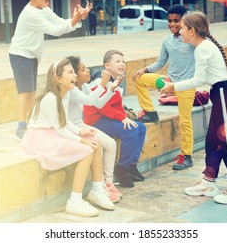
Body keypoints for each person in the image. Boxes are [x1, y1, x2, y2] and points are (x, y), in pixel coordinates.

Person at [161, 11, 227, 204]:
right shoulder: (203, 46)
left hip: (226, 94)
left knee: (226, 141)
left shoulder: (202, 48)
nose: (180, 31)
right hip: (221, 93)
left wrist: (174, 87)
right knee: (213, 139)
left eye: (183, 28)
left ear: (192, 30)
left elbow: (198, 80)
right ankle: (209, 181)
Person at [21, 58, 115, 217]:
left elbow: (65, 121)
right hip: (40, 138)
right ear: (57, 78)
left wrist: (80, 132)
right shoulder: (51, 98)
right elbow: (60, 127)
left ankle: (97, 190)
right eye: (70, 72)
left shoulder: (64, 95)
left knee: (95, 142)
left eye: (74, 72)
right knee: (86, 150)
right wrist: (81, 139)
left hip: (54, 132)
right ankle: (75, 200)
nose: (75, 76)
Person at [9, 0, 93, 142]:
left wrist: (78, 18)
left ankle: (33, 124)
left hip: (30, 56)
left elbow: (59, 22)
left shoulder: (43, 9)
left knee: (31, 92)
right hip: (20, 55)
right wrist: (76, 19)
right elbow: (54, 31)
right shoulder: (30, 14)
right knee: (24, 93)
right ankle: (21, 128)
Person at [132, 5, 196, 170]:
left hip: (186, 87)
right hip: (168, 82)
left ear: (185, 20)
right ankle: (150, 113)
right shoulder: (167, 41)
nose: (172, 24)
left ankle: (186, 155)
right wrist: (144, 69)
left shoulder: (193, 40)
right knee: (140, 79)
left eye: (176, 21)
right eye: (169, 21)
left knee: (185, 120)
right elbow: (161, 63)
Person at [83, 50, 147, 188]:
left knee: (141, 127)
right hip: (96, 120)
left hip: (107, 117)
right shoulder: (100, 80)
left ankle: (131, 165)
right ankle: (122, 169)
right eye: (117, 61)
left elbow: (116, 105)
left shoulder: (117, 79)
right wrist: (122, 118)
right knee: (130, 130)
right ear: (107, 66)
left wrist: (124, 116)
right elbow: (100, 106)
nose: (122, 64)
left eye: (123, 61)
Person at [67, 56, 123, 202]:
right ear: (74, 74)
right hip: (71, 128)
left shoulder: (83, 86)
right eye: (83, 69)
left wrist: (111, 89)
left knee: (111, 144)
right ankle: (100, 185)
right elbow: (90, 100)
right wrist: (104, 82)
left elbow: (97, 104)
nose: (88, 71)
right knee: (98, 146)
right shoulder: (71, 89)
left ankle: (108, 183)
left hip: (80, 125)